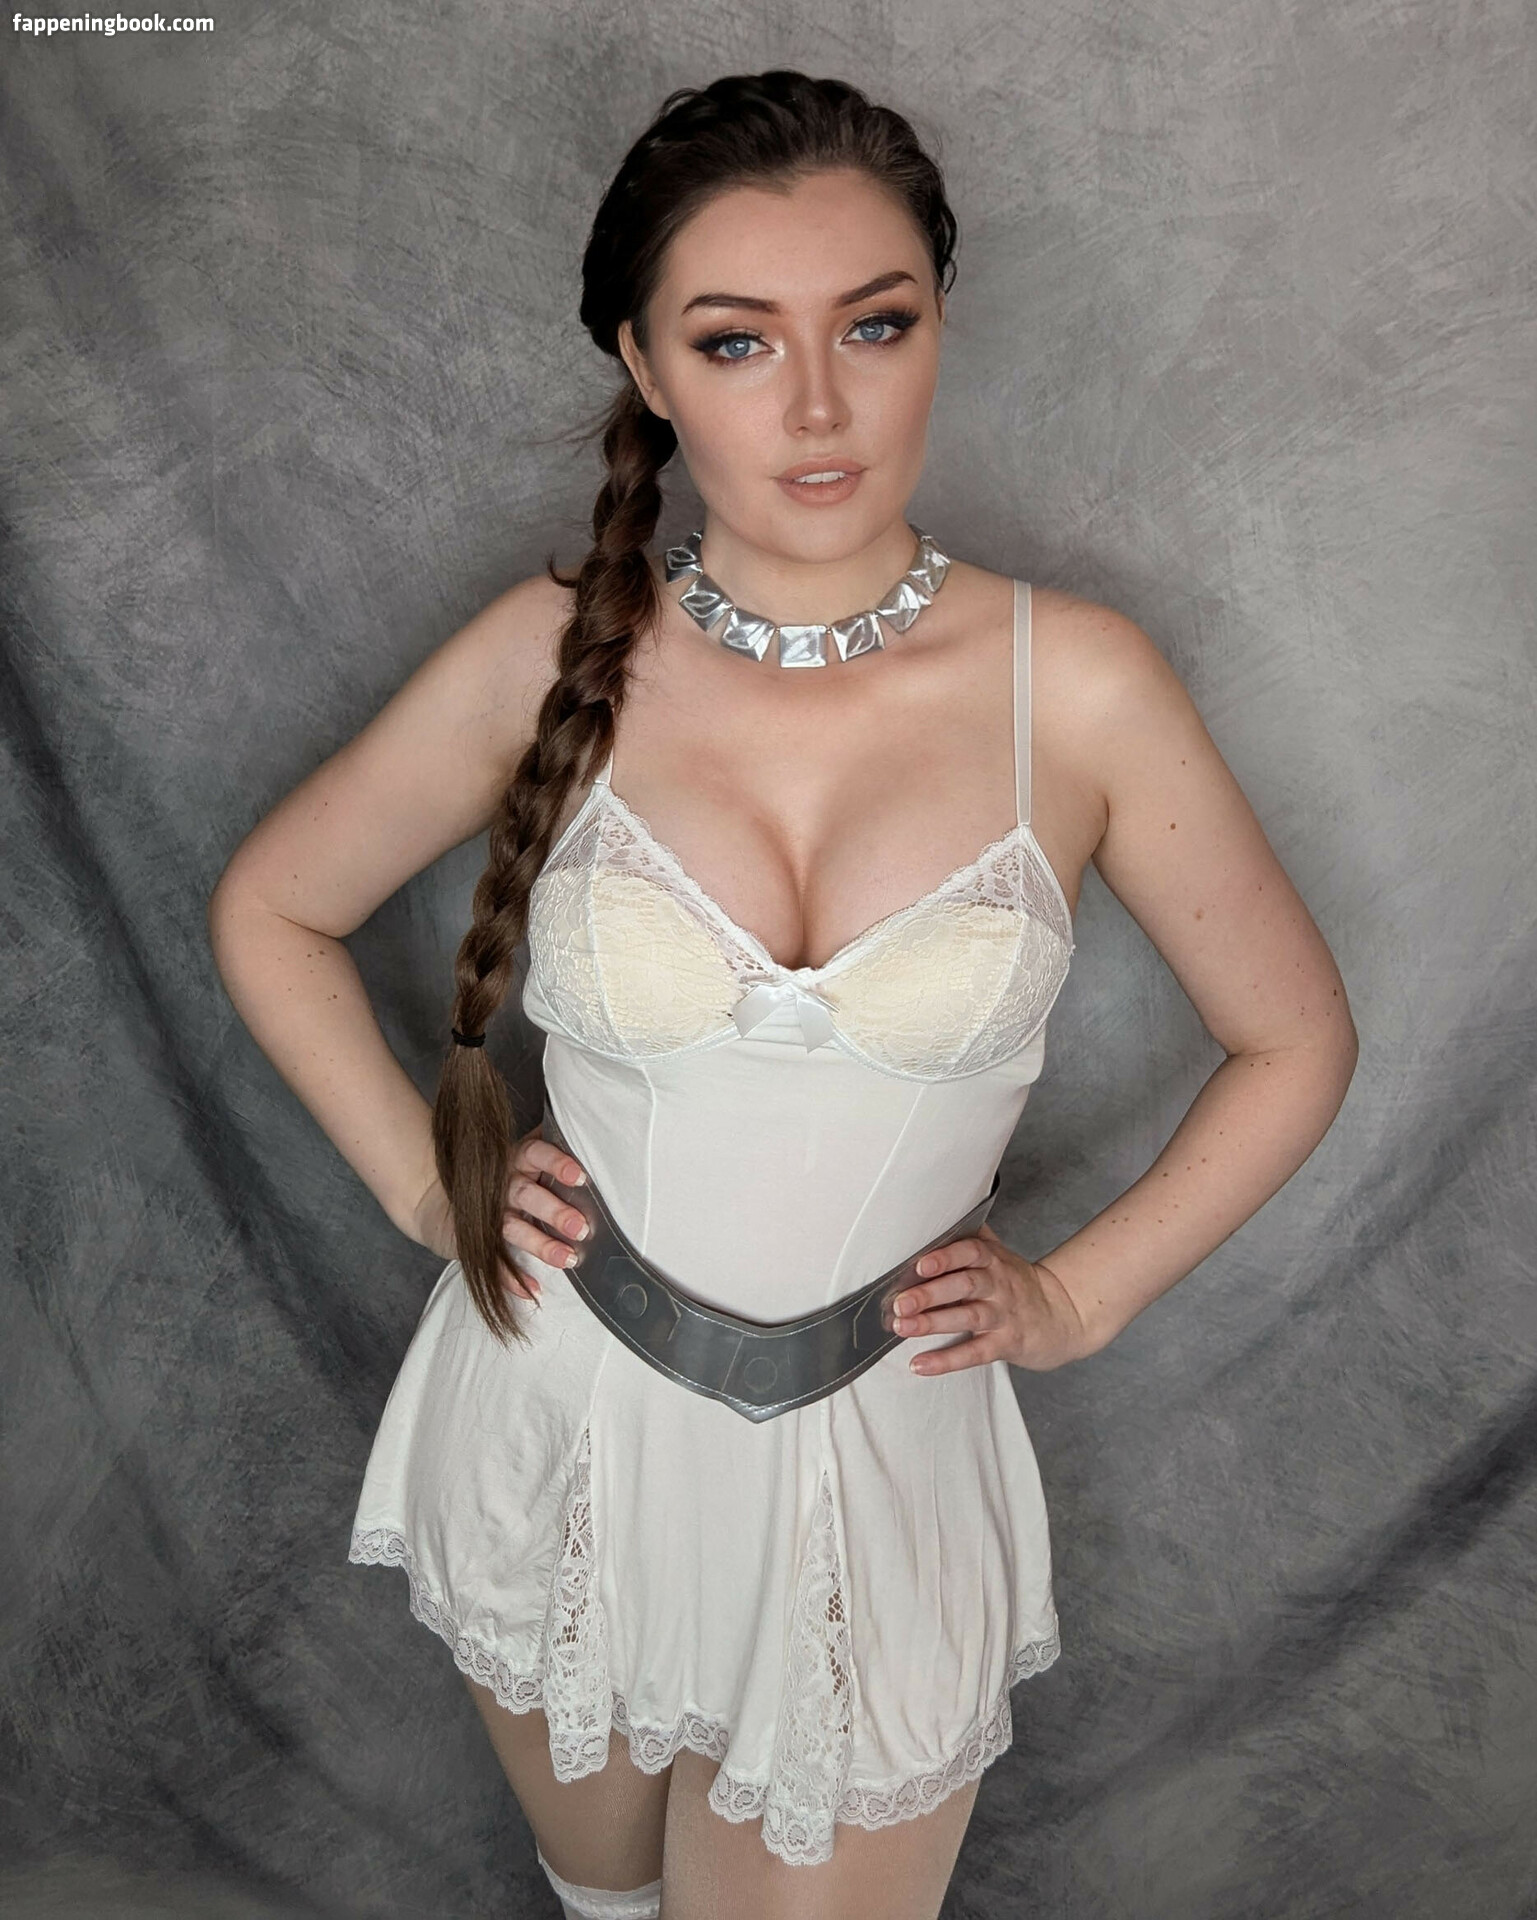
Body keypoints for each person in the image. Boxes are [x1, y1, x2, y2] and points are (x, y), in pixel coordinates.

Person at [208, 69, 1358, 1920]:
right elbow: (274, 906)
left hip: (877, 1464)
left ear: (935, 329)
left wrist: (1078, 1295)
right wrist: (432, 1192)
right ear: (646, 367)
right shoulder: (543, 656)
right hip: (561, 1422)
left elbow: (1292, 1037)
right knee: (601, 1902)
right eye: (736, 342)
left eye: (872, 326)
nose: (817, 406)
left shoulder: (1077, 685)